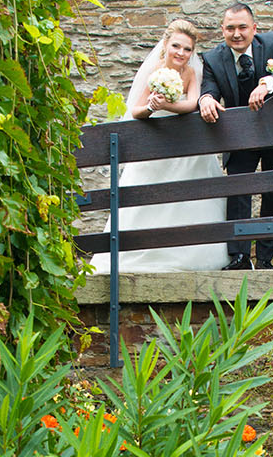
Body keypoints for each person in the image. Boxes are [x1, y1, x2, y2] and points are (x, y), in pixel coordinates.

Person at [90, 19, 229, 273]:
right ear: (166, 45)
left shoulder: (191, 73)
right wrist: (153, 107)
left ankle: (189, 255)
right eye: (176, 46)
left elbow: (191, 104)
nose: (181, 53)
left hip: (184, 143)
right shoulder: (153, 69)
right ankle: (137, 253)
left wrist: (166, 105)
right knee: (144, 196)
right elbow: (137, 110)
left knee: (191, 198)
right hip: (154, 142)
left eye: (187, 49)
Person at [198, 2, 273, 269]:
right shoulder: (212, 58)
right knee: (238, 193)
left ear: (254, 28)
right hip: (240, 135)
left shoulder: (272, 43)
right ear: (222, 30)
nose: (237, 34)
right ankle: (240, 257)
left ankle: (266, 258)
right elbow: (208, 88)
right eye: (230, 28)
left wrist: (268, 83)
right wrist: (206, 99)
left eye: (243, 27)